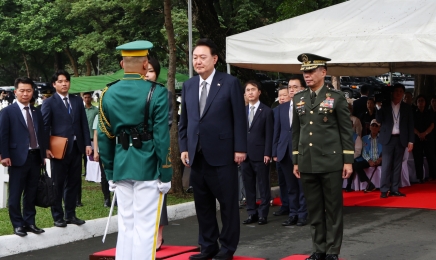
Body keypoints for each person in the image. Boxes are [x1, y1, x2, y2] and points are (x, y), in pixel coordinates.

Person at [98, 40, 172, 260]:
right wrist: (165, 171)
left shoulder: (107, 93)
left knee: (127, 226)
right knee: (146, 229)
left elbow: (104, 137)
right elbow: (161, 137)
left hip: (121, 166)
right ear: (145, 62)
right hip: (148, 167)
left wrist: (110, 172)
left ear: (122, 64)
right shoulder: (156, 92)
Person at [178, 38, 246, 260]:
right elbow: (185, 121)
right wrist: (184, 147)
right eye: (195, 57)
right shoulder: (188, 85)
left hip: (224, 154)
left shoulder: (229, 83)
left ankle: (227, 249)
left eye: (202, 57)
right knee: (203, 205)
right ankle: (207, 247)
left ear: (214, 59)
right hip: (196, 155)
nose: (198, 61)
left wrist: (240, 148)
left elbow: (239, 118)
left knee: (227, 204)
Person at [292, 53, 354, 260]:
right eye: (304, 72)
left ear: (323, 72)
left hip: (330, 161)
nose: (307, 75)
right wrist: (296, 160)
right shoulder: (298, 99)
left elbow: (346, 132)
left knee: (333, 209)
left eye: (310, 71)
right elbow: (296, 132)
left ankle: (332, 251)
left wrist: (348, 161)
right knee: (315, 209)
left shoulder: (336, 98)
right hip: (307, 161)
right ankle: (319, 249)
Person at [41, 70, 92, 227]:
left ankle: (71, 214)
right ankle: (58, 216)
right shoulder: (49, 103)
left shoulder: (77, 101)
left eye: (67, 81)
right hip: (58, 149)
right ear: (54, 84)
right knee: (58, 182)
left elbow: (83, 123)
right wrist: (45, 148)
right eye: (61, 81)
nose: (64, 84)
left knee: (74, 182)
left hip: (77, 148)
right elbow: (44, 127)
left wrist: (87, 144)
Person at [0, 77, 46, 237]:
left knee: (31, 192)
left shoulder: (36, 111)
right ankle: (18, 224)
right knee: (15, 193)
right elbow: (3, 135)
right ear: (15, 92)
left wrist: (43, 153)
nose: (25, 94)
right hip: (16, 158)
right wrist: (4, 155)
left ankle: (30, 222)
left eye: (28, 90)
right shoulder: (7, 112)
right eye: (22, 90)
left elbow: (41, 134)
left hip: (35, 157)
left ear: (33, 92)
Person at [273, 75, 308, 227]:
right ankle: (293, 214)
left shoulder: (307, 106)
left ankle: (303, 214)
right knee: (290, 186)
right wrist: (274, 151)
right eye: (290, 87)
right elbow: (277, 131)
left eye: (295, 87)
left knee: (302, 186)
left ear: (303, 89)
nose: (292, 90)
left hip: (302, 151)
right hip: (284, 151)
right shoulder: (281, 108)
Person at [145, 56, 170, 250]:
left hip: (157, 147)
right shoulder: (133, 92)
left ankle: (159, 233)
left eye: (151, 70)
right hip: (137, 151)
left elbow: (166, 122)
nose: (147, 74)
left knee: (159, 191)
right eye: (145, 70)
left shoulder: (162, 93)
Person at [241, 80, 273, 225]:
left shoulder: (266, 111)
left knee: (263, 185)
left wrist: (267, 152)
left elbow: (269, 134)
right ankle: (251, 212)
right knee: (248, 185)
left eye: (253, 89)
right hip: (245, 154)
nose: (250, 92)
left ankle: (263, 214)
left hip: (261, 154)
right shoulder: (242, 111)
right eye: (248, 90)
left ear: (259, 92)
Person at [376, 83, 414, 198]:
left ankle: (394, 189)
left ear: (403, 94)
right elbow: (378, 120)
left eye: (401, 92)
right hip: (388, 139)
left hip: (401, 139)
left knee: (398, 165)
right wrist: (378, 106)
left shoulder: (407, 107)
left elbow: (410, 125)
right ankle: (384, 189)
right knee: (386, 164)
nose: (398, 93)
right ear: (392, 93)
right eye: (396, 91)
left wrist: (411, 141)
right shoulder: (386, 105)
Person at [272, 85, 291, 217]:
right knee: (282, 181)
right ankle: (285, 205)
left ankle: (295, 207)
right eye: (280, 95)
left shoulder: (295, 110)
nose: (282, 98)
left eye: (284, 95)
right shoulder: (275, 111)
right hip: (279, 151)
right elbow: (274, 134)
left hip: (290, 151)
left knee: (292, 182)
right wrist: (274, 152)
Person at [349, 119, 381, 192]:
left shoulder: (383, 138)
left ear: (379, 128)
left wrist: (380, 159)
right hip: (368, 160)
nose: (374, 127)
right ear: (369, 127)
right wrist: (369, 160)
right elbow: (363, 152)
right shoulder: (364, 138)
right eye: (372, 125)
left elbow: (386, 152)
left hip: (379, 160)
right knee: (356, 165)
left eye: (376, 126)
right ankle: (369, 184)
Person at [412, 95, 436, 182]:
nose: (421, 102)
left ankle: (432, 175)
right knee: (418, 158)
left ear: (425, 103)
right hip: (417, 138)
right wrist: (419, 134)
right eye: (419, 101)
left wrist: (425, 133)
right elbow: (412, 126)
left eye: (422, 101)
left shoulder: (429, 112)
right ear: (416, 103)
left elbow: (432, 125)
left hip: (428, 137)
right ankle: (420, 177)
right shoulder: (414, 113)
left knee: (431, 157)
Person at [91, 115, 111, 208]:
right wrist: (95, 151)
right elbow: (95, 134)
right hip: (102, 150)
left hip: (114, 150)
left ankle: (117, 197)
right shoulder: (98, 116)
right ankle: (107, 198)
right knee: (104, 175)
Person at [81, 92, 98, 179]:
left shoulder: (95, 110)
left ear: (91, 98)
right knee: (85, 155)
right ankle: (86, 171)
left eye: (88, 97)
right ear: (83, 98)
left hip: (92, 135)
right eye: (85, 97)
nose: (87, 99)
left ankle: (94, 172)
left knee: (92, 154)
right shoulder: (81, 110)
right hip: (83, 136)